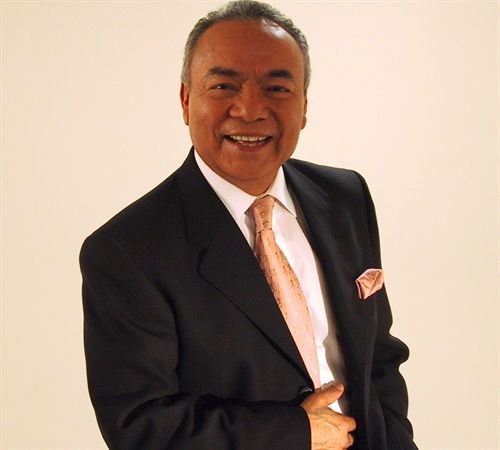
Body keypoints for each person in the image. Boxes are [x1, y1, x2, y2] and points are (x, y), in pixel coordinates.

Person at [80, 1, 418, 449]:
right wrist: (296, 432)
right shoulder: (127, 251)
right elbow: (141, 426)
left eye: (277, 88)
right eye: (224, 85)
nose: (250, 109)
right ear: (186, 100)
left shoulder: (345, 197)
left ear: (304, 105)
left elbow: (379, 359)